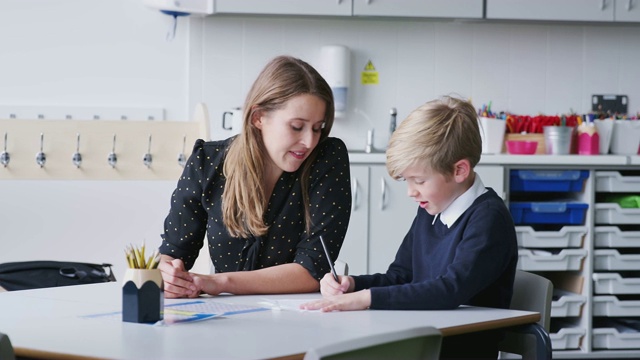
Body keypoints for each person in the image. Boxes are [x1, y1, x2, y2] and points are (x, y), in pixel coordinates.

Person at [300, 95, 518, 359]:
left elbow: (450, 290)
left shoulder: (489, 218)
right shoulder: (432, 208)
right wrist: (353, 285)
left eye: (419, 180)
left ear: (460, 170)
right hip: (424, 336)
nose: (410, 192)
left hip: (456, 349)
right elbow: (401, 276)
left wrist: (366, 299)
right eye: (406, 180)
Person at [158, 55, 351, 299]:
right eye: (296, 126)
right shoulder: (206, 162)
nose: (310, 141)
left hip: (300, 317)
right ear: (258, 117)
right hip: (225, 315)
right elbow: (173, 253)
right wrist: (169, 274)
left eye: (317, 128)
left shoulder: (327, 159)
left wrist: (220, 282)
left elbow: (313, 270)